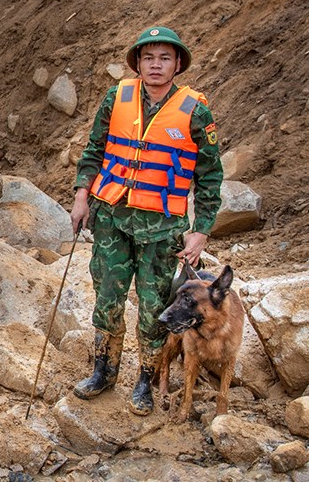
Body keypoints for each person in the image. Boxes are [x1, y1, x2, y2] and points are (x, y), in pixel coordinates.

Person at [70, 26, 222, 416]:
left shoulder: (195, 111)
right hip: (112, 220)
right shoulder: (116, 97)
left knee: (154, 308)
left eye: (164, 58)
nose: (156, 65)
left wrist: (202, 231)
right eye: (148, 57)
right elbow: (94, 150)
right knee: (108, 299)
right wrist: (82, 196)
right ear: (137, 62)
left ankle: (145, 381)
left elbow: (210, 176)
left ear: (177, 64)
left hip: (162, 229)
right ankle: (103, 371)